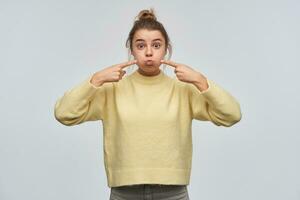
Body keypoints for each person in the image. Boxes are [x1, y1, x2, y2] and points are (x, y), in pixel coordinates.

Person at [54, 8, 242, 200]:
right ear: (131, 49)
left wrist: (201, 81)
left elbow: (232, 115)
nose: (149, 52)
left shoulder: (183, 90)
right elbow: (64, 113)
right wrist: (95, 80)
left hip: (173, 192)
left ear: (166, 49)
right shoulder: (112, 90)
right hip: (124, 192)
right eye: (141, 45)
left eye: (157, 45)